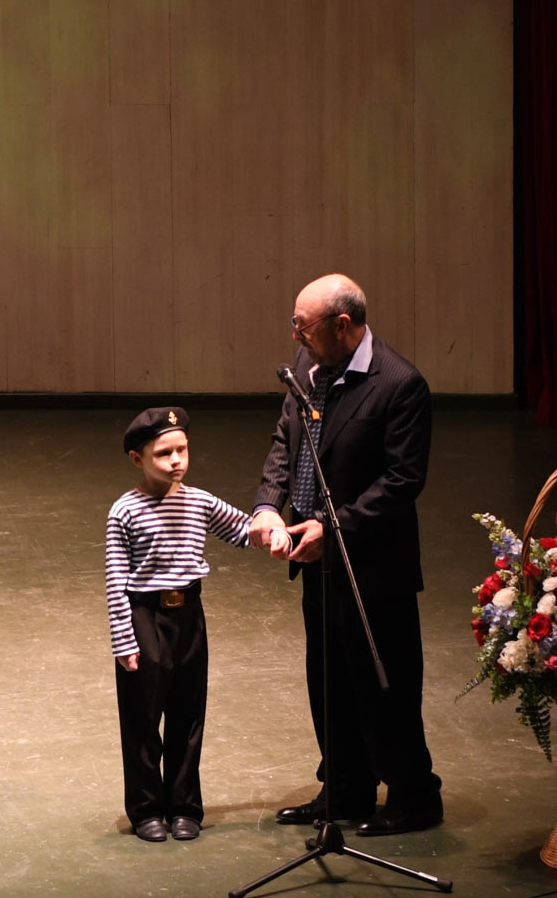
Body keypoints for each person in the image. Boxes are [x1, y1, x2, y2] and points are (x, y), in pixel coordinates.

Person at [249, 273, 443, 836]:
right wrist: (267, 506)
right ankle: (345, 789)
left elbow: (402, 480)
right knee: (329, 679)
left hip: (373, 564)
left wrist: (332, 530)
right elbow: (285, 442)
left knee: (385, 684)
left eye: (303, 326)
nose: (295, 336)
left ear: (342, 325)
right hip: (317, 559)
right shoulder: (308, 369)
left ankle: (413, 797)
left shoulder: (400, 384)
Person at [106, 407, 290, 843]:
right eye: (163, 453)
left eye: (182, 450)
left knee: (188, 716)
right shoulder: (124, 511)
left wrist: (274, 531)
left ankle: (185, 807)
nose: (176, 461)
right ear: (137, 459)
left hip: (189, 616)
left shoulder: (199, 501)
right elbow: (115, 579)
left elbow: (244, 529)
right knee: (143, 719)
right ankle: (147, 809)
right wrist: (123, 639)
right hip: (145, 618)